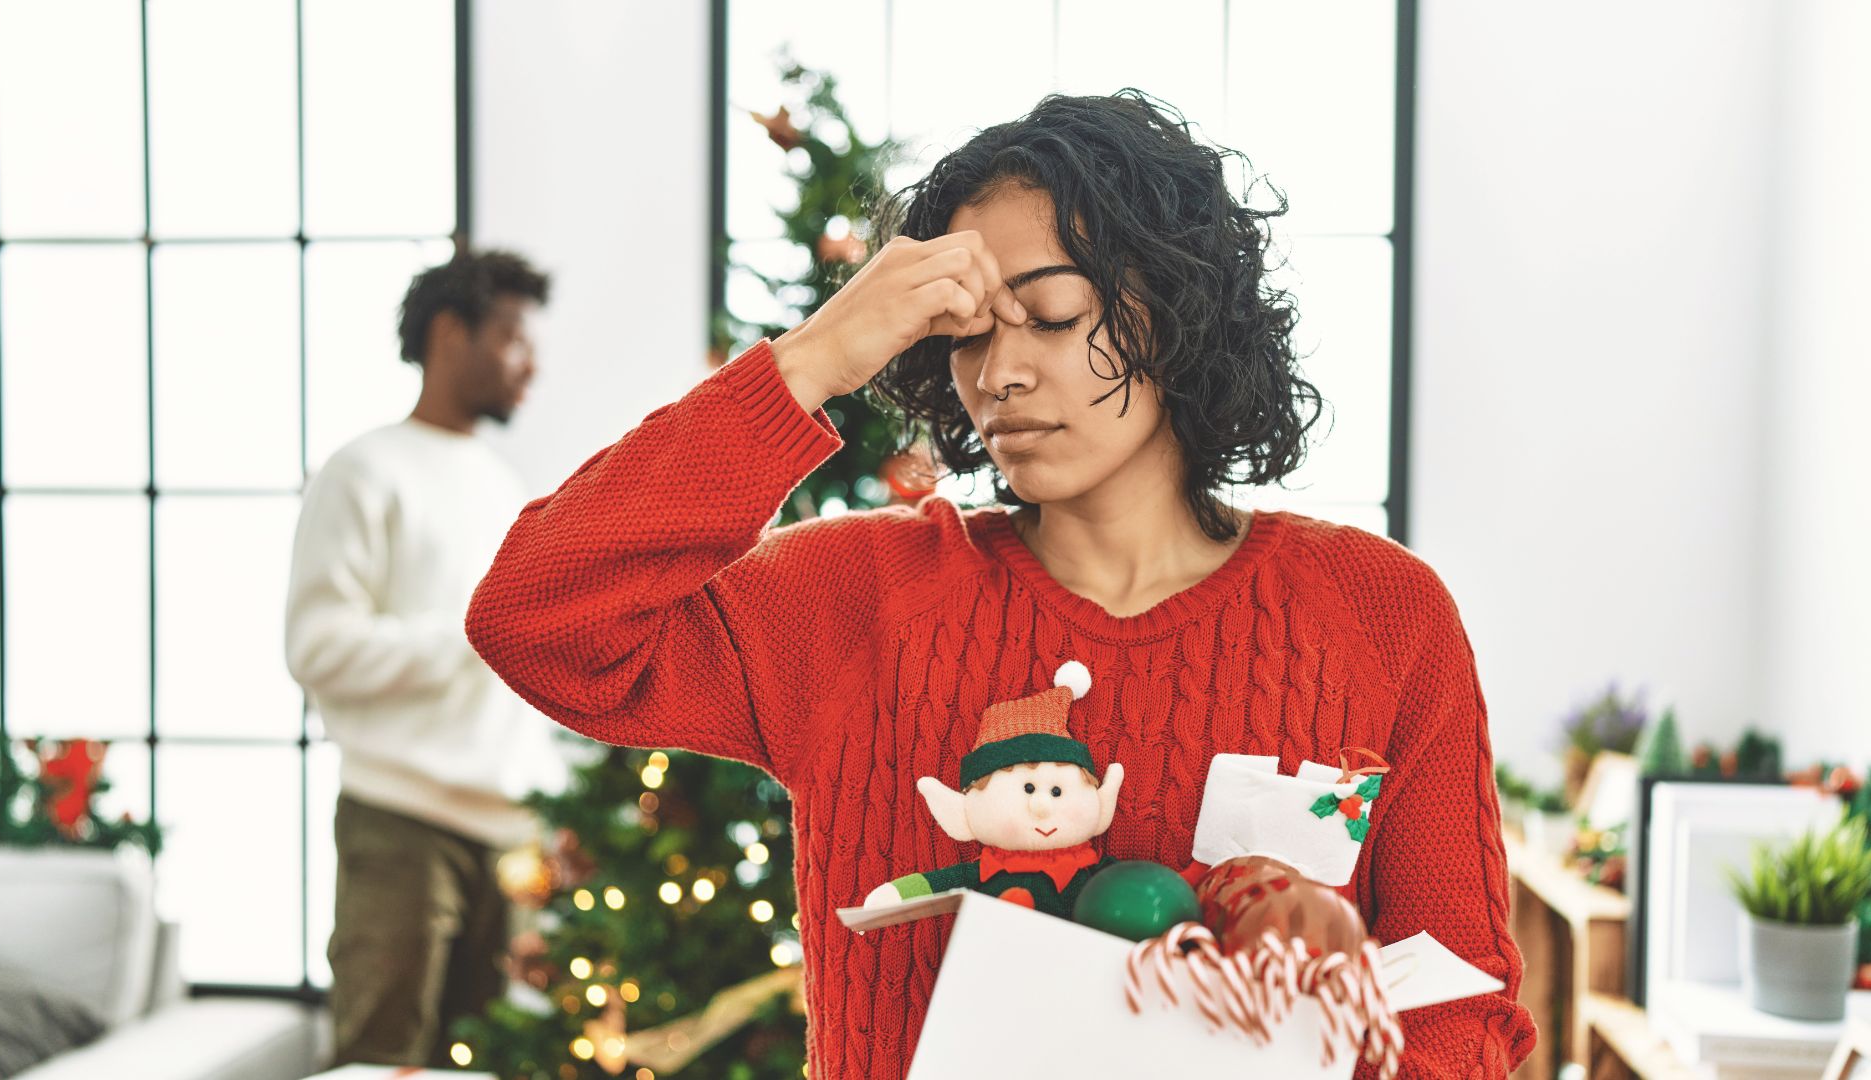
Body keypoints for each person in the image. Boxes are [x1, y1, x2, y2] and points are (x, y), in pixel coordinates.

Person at [465, 91, 1535, 1077]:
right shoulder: (856, 598)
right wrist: (814, 359)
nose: (999, 375)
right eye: (968, 335)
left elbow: (1465, 1010)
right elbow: (536, 617)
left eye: (1053, 314)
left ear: (1177, 312)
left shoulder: (1381, 615)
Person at [284, 249, 569, 1068]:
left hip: (509, 838)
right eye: (513, 338)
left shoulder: (505, 484)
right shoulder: (363, 471)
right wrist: (472, 636)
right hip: (402, 824)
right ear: (450, 335)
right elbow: (316, 646)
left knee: (489, 1061)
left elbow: (517, 669)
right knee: (384, 1059)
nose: (531, 364)